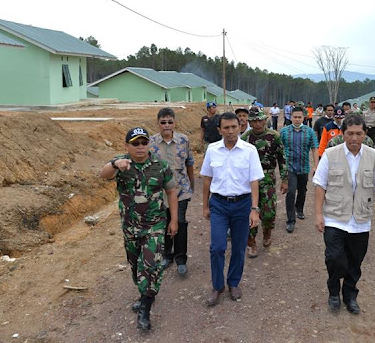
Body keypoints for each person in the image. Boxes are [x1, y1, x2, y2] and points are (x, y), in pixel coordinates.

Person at [99, 127, 178, 330]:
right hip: (130, 227)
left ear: (149, 144)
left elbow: (171, 192)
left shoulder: (160, 166)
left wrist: (174, 220)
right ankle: (144, 294)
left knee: (151, 266)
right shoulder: (121, 163)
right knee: (135, 267)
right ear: (127, 146)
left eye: (144, 142)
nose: (140, 147)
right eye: (135, 143)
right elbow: (103, 174)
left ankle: (145, 306)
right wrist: (115, 164)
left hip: (155, 226)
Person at [313, 114, 375, 314]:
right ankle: (333, 291)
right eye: (350, 133)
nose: (354, 138)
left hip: (360, 220)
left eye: (359, 133)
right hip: (335, 217)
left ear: (365, 134)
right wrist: (318, 214)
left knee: (355, 262)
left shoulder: (374, 156)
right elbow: (320, 185)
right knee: (334, 258)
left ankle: (350, 296)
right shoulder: (331, 155)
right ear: (343, 133)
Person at [201, 112, 264, 306]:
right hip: (219, 204)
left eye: (234, 127)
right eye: (226, 128)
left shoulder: (249, 150)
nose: (230, 131)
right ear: (219, 129)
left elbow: (254, 181)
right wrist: (205, 205)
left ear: (240, 127)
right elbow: (206, 180)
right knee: (217, 247)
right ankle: (217, 286)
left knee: (238, 247)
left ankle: (234, 283)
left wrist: (254, 209)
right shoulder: (212, 150)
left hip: (242, 204)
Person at [149, 108, 194, 277]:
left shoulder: (184, 140)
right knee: (165, 222)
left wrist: (192, 185)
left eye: (170, 122)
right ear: (158, 123)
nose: (167, 125)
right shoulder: (151, 143)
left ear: (175, 123)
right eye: (163, 122)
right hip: (160, 193)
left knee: (180, 222)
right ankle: (167, 255)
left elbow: (189, 163)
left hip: (181, 190)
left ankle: (181, 259)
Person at [242, 109, 287, 257]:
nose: (257, 123)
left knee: (269, 212)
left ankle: (267, 232)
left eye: (260, 120)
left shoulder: (274, 136)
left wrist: (284, 179)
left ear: (265, 120)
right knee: (250, 211)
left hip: (267, 178)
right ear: (250, 122)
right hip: (248, 180)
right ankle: (251, 242)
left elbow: (282, 158)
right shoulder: (245, 138)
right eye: (254, 121)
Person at [280, 106, 319, 233]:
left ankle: (299, 208)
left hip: (303, 167)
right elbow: (279, 149)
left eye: (299, 117)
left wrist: (316, 165)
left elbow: (314, 149)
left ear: (304, 118)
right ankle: (290, 220)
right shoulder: (284, 132)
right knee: (291, 192)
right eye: (295, 117)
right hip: (289, 167)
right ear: (290, 117)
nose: (297, 119)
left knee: (302, 190)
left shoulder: (309, 132)